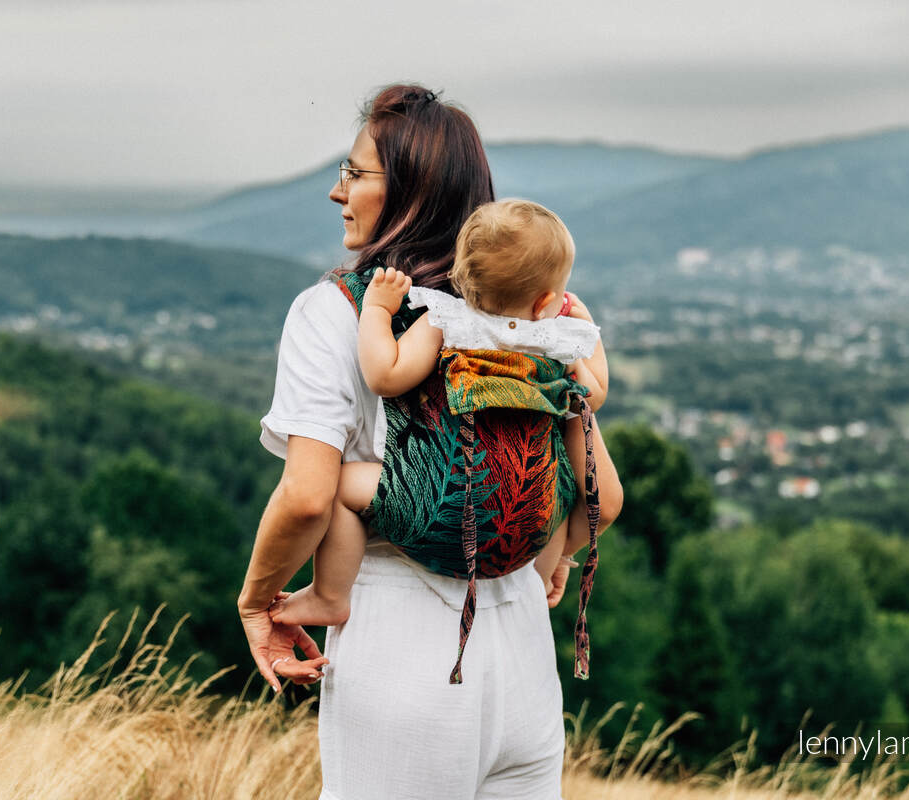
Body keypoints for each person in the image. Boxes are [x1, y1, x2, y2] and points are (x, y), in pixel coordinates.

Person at [238, 84, 623, 800]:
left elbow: (309, 496)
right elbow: (585, 464)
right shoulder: (533, 316)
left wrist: (257, 601)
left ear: (410, 189)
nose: (337, 191)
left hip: (401, 647)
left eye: (355, 172)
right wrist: (558, 548)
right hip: (523, 643)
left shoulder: (339, 311)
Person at [270, 200, 609, 653]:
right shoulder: (556, 342)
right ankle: (545, 575)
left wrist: (377, 311)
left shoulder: (446, 321)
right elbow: (592, 396)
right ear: (547, 301)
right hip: (528, 529)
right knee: (576, 491)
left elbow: (386, 376)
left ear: (461, 276)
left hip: (439, 510)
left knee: (340, 485)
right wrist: (585, 332)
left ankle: (329, 596)